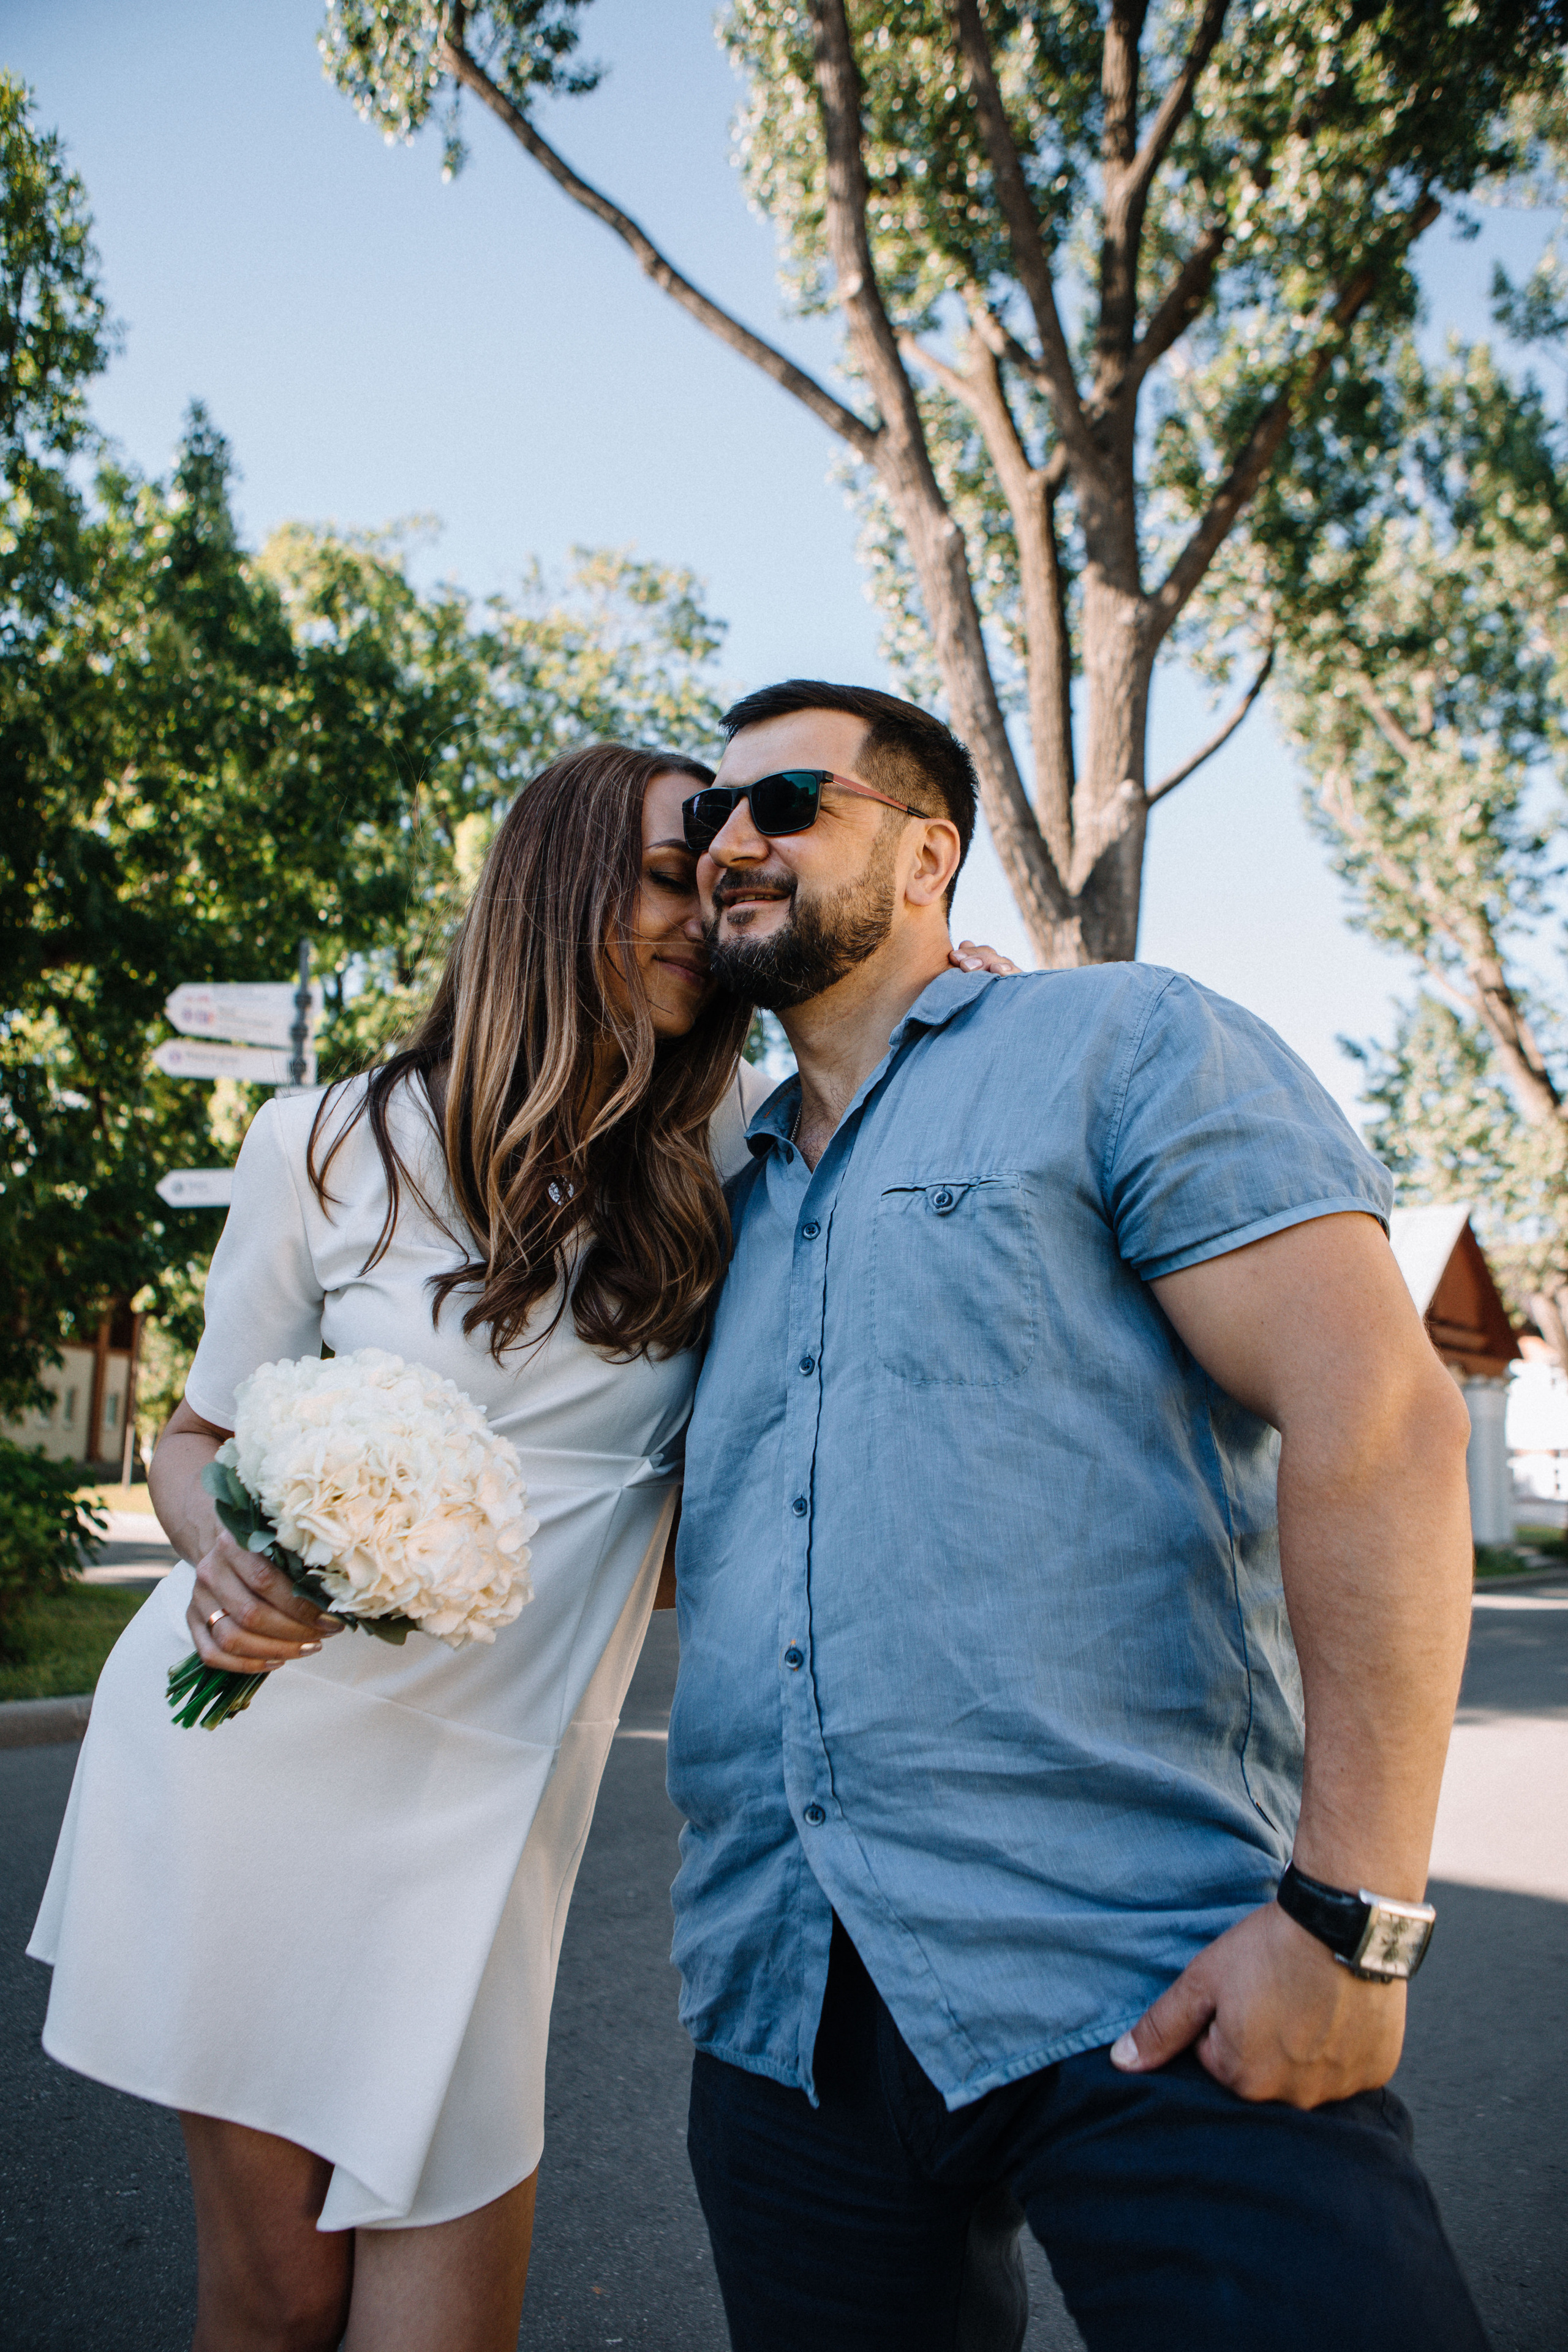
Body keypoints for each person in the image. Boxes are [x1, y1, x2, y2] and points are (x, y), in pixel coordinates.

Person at [665, 680, 1488, 2351]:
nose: (730, 841)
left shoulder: (1120, 1043)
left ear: (927, 852)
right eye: (707, 822)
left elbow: (1382, 1418)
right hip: (780, 2013)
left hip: (1147, 1972)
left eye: (788, 799)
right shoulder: (706, 1194)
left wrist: (1349, 1921)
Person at [28, 742, 771, 2352]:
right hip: (251, 1768)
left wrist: (974, 995)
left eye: (718, 897)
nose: (698, 928)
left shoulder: (731, 1158)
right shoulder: (325, 1141)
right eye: (664, 876)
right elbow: (194, 1437)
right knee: (278, 2298)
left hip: (493, 1803)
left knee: (442, 2325)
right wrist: (214, 1556)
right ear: (554, 882)